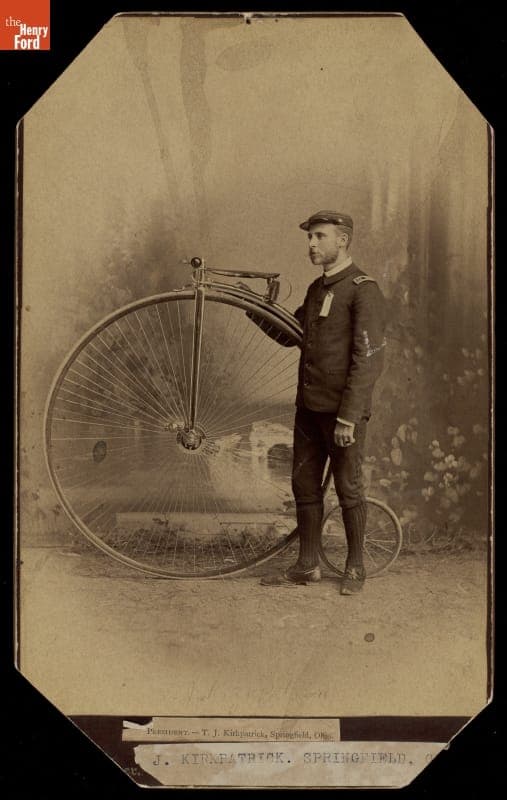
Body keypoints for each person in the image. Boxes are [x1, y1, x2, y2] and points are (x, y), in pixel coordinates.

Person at [250, 210, 386, 595]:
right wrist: (253, 307)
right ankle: (307, 566)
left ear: (342, 240)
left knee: (348, 488)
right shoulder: (316, 290)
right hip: (308, 410)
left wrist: (349, 417)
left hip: (343, 415)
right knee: (304, 486)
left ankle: (355, 567)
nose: (311, 244)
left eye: (319, 236)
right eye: (309, 237)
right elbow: (289, 334)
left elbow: (369, 360)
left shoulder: (363, 290)